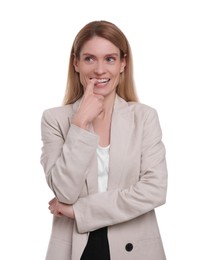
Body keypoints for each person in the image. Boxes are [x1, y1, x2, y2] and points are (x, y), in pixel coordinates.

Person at [40, 20, 168, 260]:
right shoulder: (54, 120)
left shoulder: (144, 118)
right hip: (74, 250)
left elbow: (154, 190)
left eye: (109, 59)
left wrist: (80, 211)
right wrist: (80, 125)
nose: (99, 70)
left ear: (123, 63)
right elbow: (65, 193)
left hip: (137, 250)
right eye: (89, 58)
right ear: (76, 63)